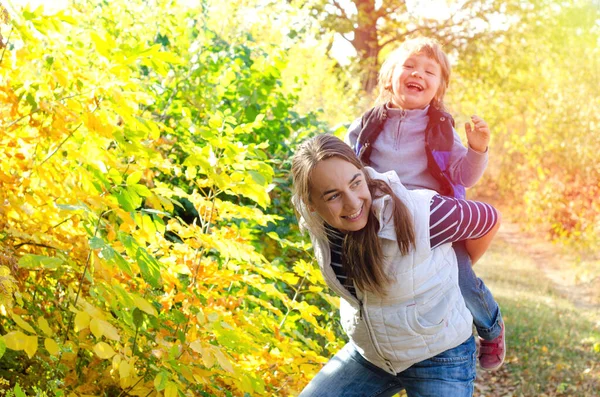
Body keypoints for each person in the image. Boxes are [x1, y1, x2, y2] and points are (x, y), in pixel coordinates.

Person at [291, 134, 501, 396]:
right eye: (333, 196)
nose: (352, 203)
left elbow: (489, 219)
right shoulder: (321, 229)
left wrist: (458, 266)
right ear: (312, 204)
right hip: (372, 356)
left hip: (439, 356)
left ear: (363, 173)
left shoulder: (421, 213)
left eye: (356, 183)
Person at [346, 36, 505, 371]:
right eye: (409, 66)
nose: (417, 73)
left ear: (438, 88)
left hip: (432, 216)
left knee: (460, 274)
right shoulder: (367, 124)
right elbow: (348, 164)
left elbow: (462, 175)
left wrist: (477, 149)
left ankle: (491, 326)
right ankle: (376, 339)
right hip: (382, 216)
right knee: (364, 273)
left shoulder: (441, 128)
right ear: (390, 76)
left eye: (429, 71)